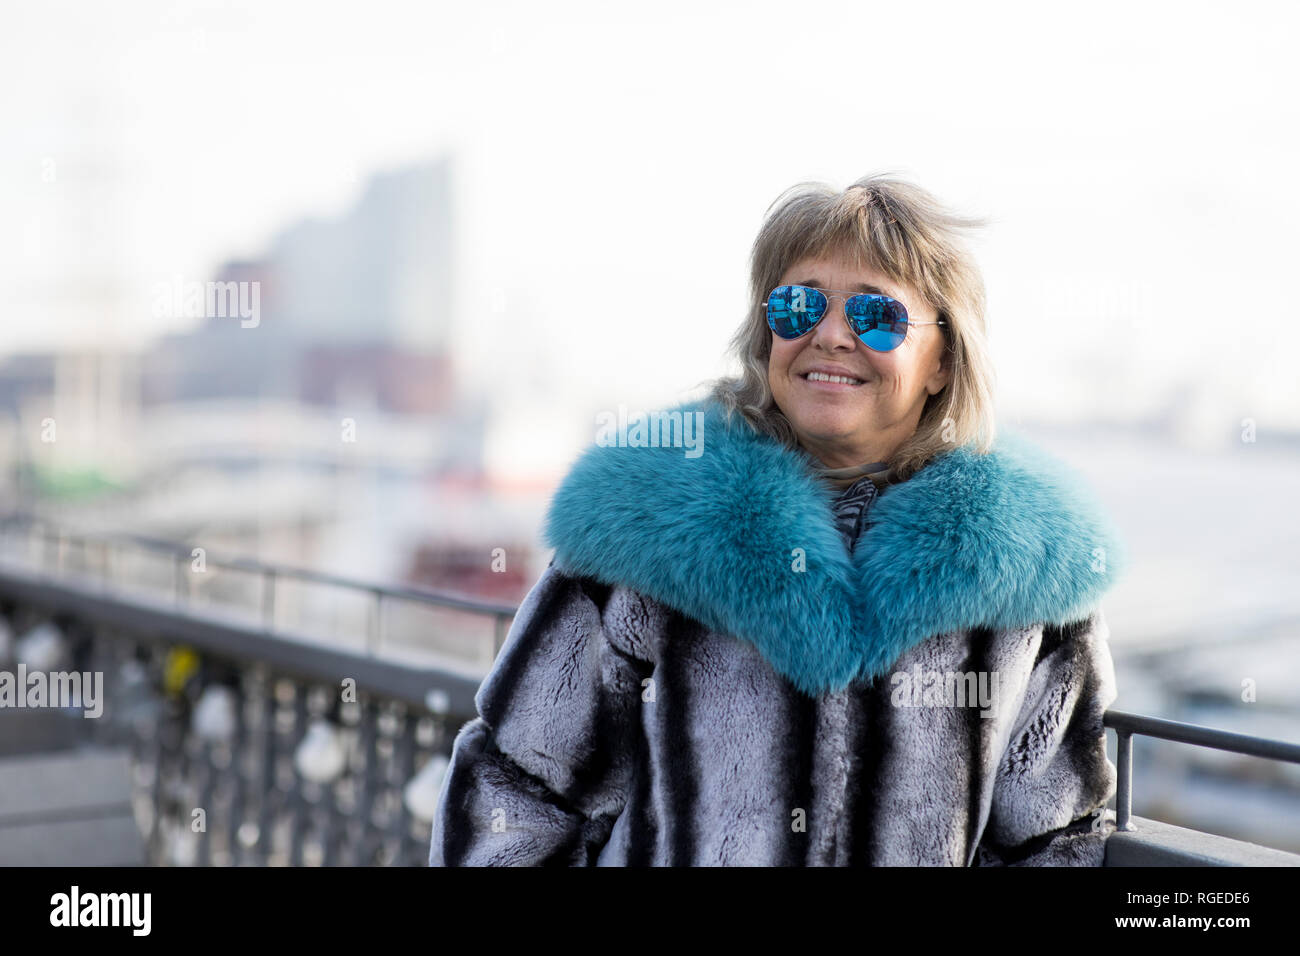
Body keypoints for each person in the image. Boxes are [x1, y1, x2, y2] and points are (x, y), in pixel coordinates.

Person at [429, 174, 1128, 866]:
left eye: (874, 315)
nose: (829, 335)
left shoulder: (1025, 564)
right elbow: (516, 793)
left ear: (943, 359)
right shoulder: (651, 526)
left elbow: (1055, 838)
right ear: (768, 335)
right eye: (797, 306)